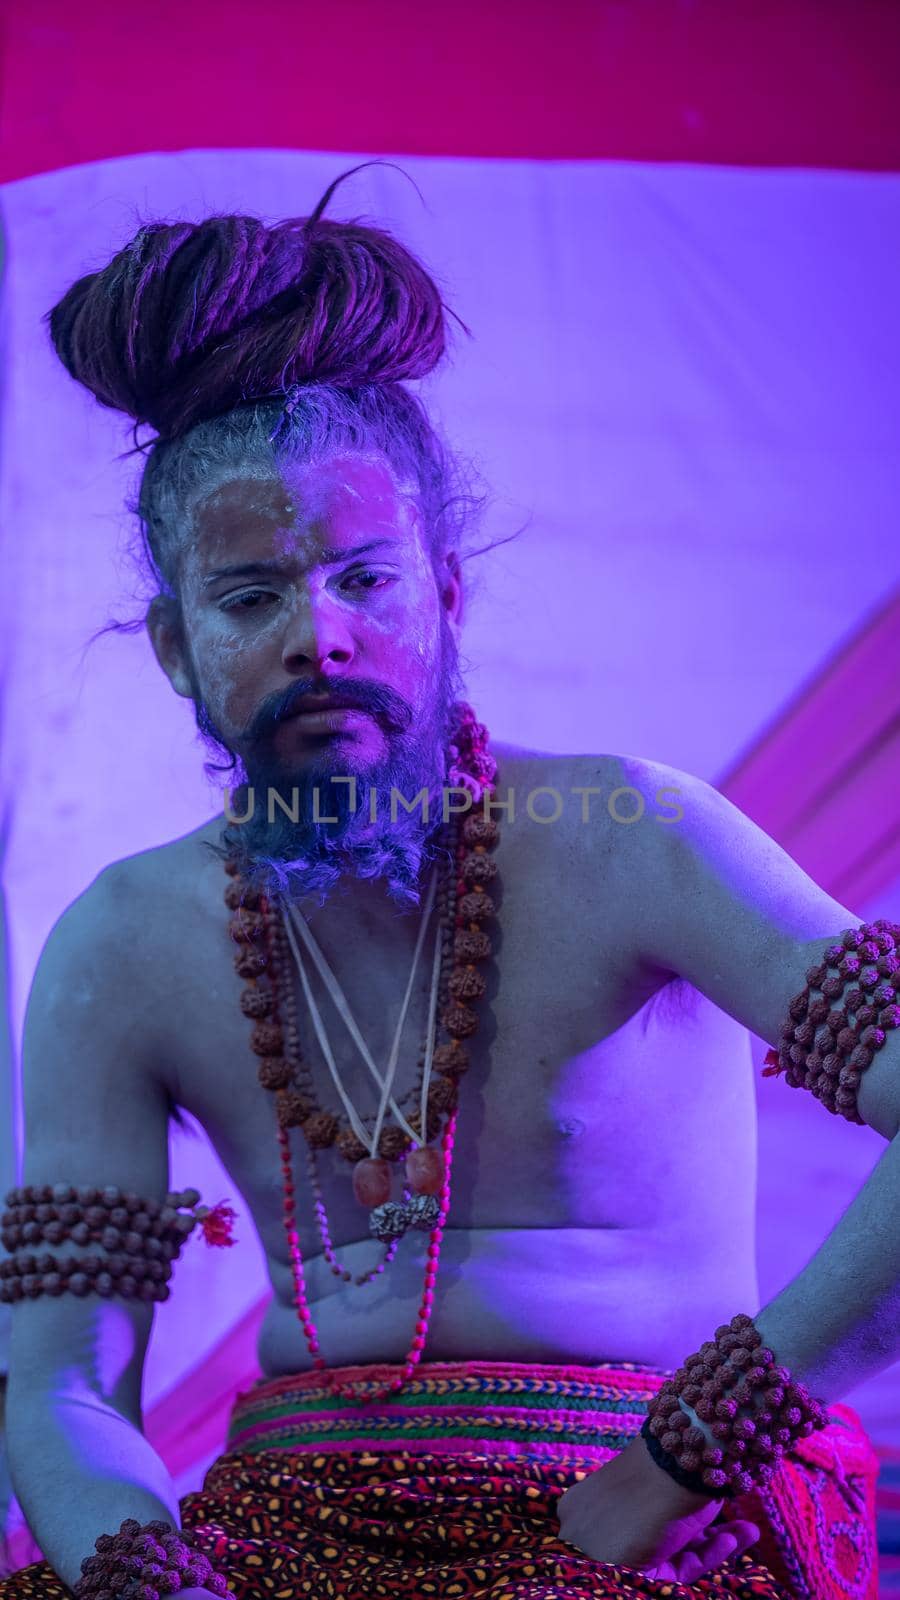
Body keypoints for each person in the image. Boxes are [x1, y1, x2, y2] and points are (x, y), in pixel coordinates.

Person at [0, 165, 891, 1599]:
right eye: (251, 600)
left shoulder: (629, 832)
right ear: (174, 649)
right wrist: (139, 1569)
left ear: (449, 593)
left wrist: (686, 1460)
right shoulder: (124, 939)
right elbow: (60, 1385)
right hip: (270, 1537)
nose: (321, 638)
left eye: (366, 579)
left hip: (657, 1516)